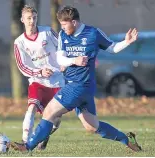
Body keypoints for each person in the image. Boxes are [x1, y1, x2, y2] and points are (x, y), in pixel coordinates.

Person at [11, 6, 142, 152]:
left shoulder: (93, 33)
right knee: (92, 126)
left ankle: (27, 146)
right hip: (81, 87)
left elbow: (112, 48)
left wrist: (127, 42)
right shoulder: (63, 35)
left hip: (77, 86)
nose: (62, 28)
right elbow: (60, 58)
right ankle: (126, 139)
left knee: (49, 112)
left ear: (74, 22)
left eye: (64, 24)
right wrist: (74, 60)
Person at [13, 5, 64, 150]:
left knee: (56, 119)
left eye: (34, 18)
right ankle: (25, 142)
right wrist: (39, 72)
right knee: (31, 108)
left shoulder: (47, 32)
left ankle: (44, 136)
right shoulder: (19, 42)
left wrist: (64, 62)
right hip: (38, 81)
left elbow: (61, 45)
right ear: (22, 20)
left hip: (57, 80)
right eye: (28, 18)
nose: (32, 21)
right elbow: (22, 66)